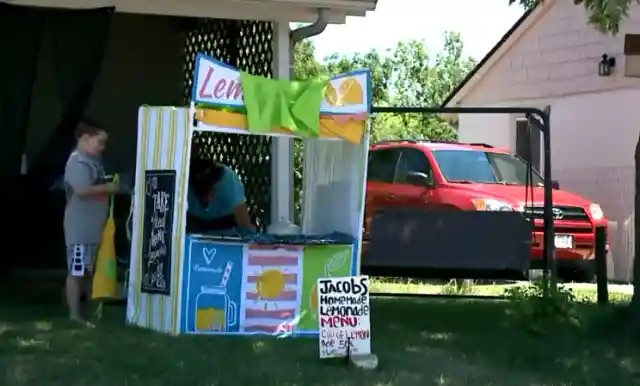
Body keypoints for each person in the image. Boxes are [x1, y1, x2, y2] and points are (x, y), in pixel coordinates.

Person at [63, 119, 118, 322]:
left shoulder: (93, 161)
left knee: (86, 270)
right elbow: (82, 189)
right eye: (100, 142)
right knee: (77, 271)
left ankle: (83, 309)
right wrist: (109, 188)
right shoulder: (77, 162)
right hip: (80, 229)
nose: (102, 147)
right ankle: (74, 314)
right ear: (85, 139)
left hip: (93, 228)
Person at [187, 158, 255, 232]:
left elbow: (244, 224)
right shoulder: (184, 186)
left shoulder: (230, 185)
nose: (208, 198)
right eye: (202, 192)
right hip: (195, 227)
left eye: (210, 190)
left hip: (227, 228)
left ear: (216, 182)